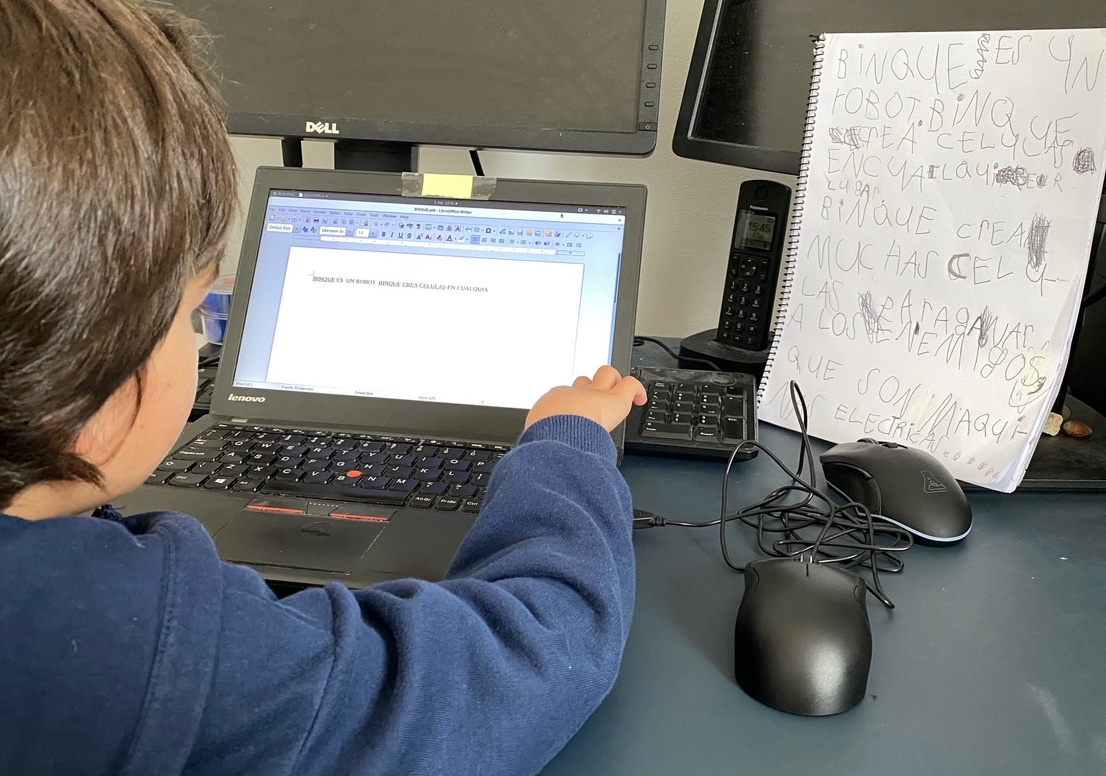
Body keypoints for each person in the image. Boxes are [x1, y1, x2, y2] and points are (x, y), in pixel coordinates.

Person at [0, 1, 648, 774]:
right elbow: (537, 658)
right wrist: (565, 440)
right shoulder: (122, 643)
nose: (199, 339)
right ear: (93, 366)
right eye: (189, 317)